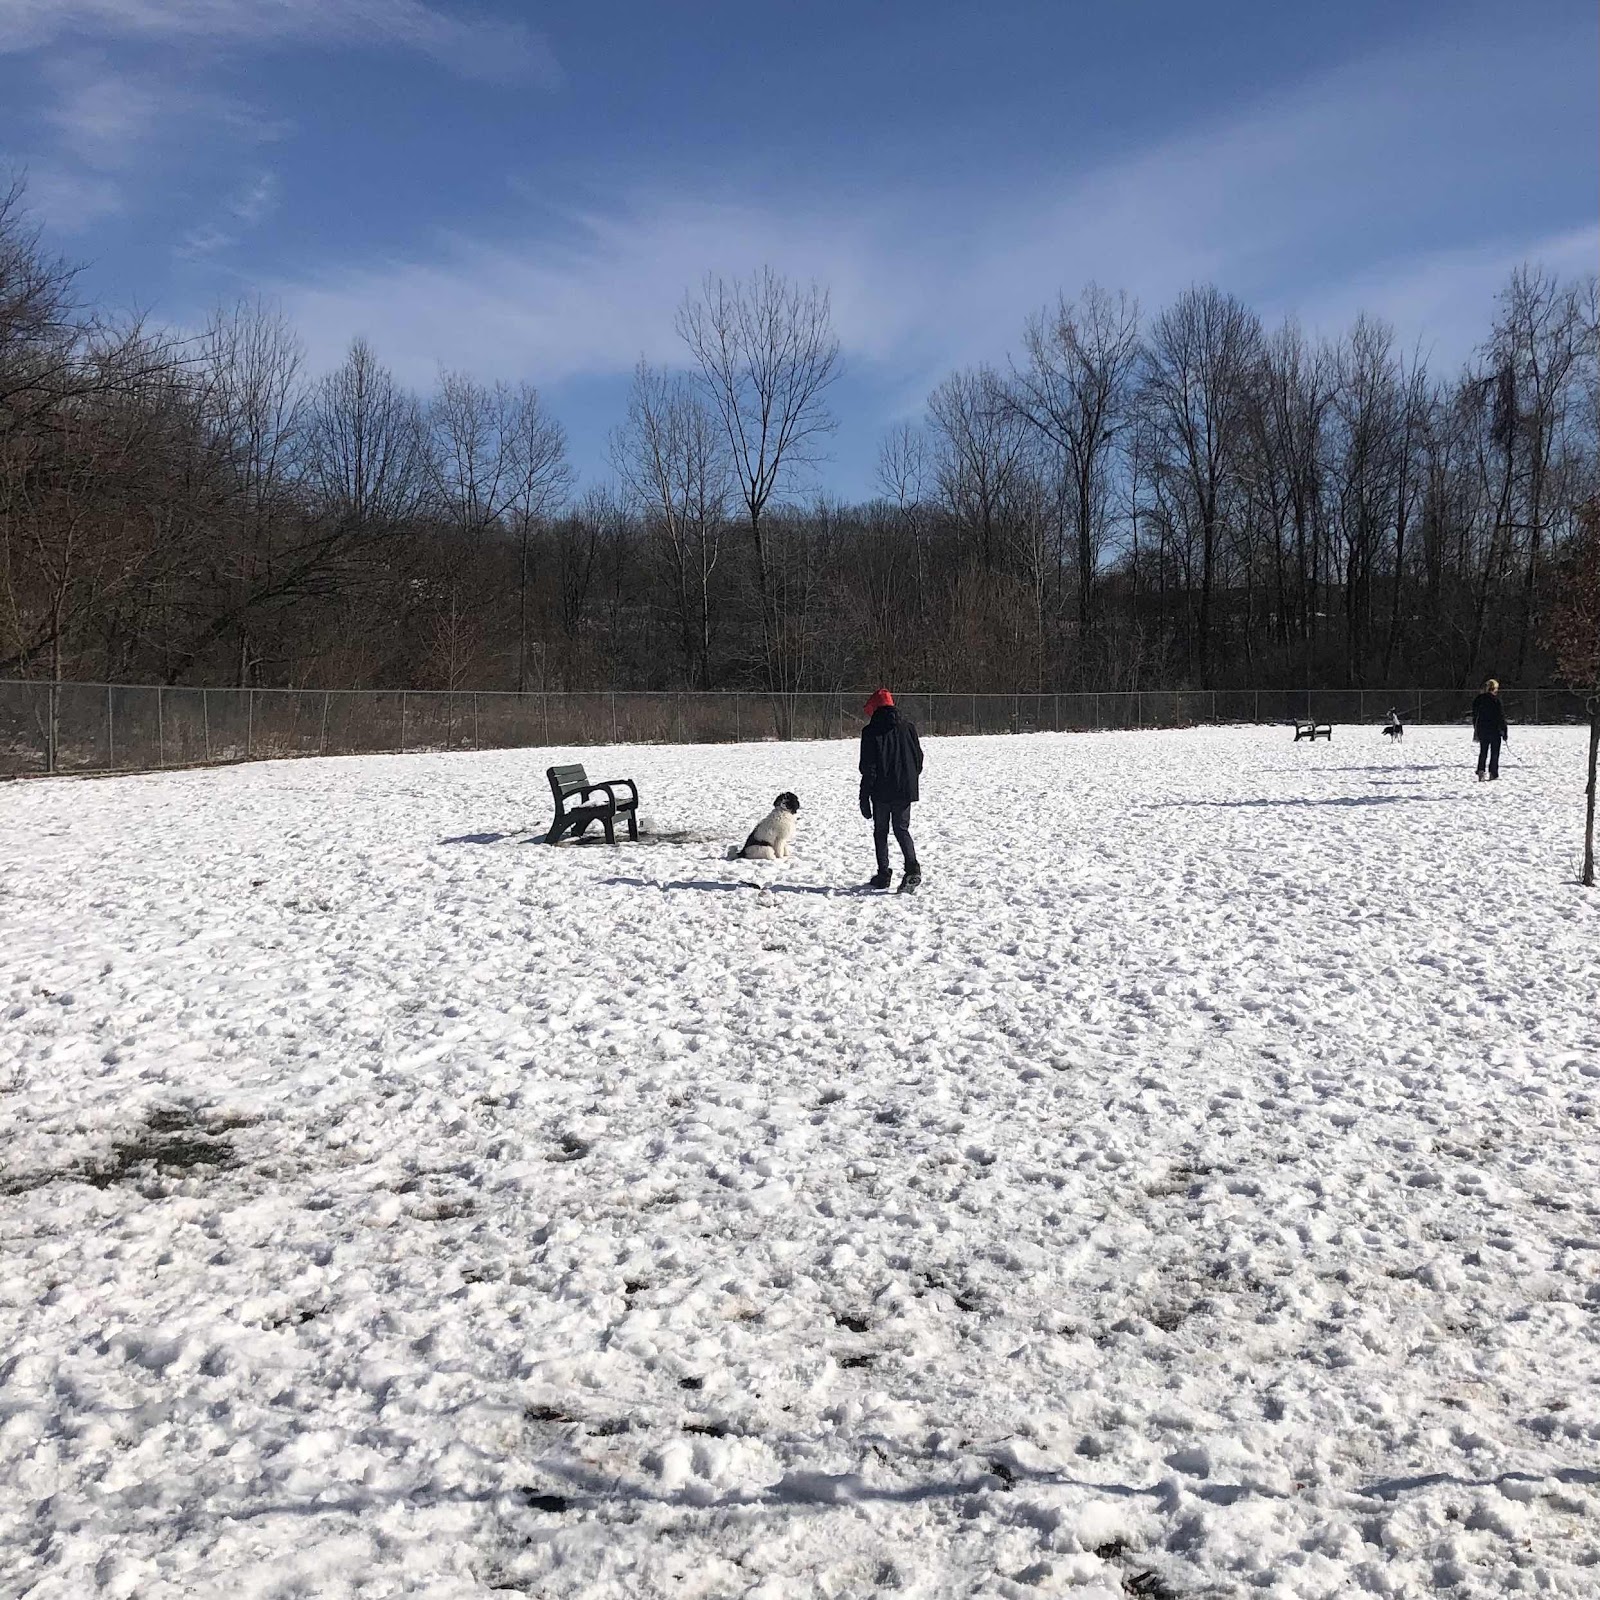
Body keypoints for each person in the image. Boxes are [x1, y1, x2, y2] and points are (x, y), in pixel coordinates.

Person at [858, 688, 923, 890]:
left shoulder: (870, 731)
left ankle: (883, 874)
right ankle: (912, 869)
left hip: (881, 790)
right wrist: (910, 778)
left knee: (881, 831)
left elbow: (868, 767)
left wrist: (864, 796)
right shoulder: (908, 727)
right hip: (905, 788)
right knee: (901, 829)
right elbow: (918, 758)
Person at [1471, 677, 1509, 780]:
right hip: (1494, 730)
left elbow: (1475, 715)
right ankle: (1493, 772)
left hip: (1482, 729)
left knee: (1483, 751)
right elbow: (1501, 717)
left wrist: (1476, 728)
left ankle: (1481, 770)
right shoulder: (1496, 700)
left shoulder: (1479, 699)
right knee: (1494, 753)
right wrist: (1504, 731)